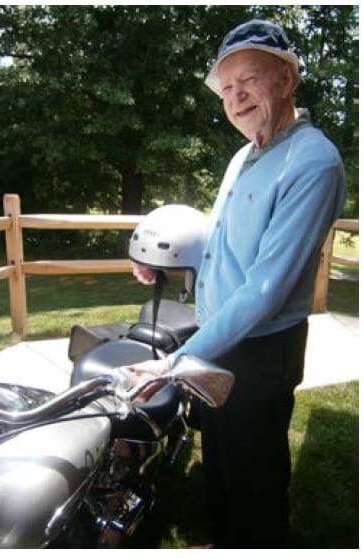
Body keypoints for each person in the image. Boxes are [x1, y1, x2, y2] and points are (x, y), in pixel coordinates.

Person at [128, 20, 346, 547]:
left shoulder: (313, 162)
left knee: (255, 482)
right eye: (226, 87)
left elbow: (265, 289)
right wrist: (168, 263)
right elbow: (220, 240)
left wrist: (176, 362)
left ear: (287, 79)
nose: (236, 96)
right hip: (221, 341)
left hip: (261, 353)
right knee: (221, 460)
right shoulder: (244, 154)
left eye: (249, 79)